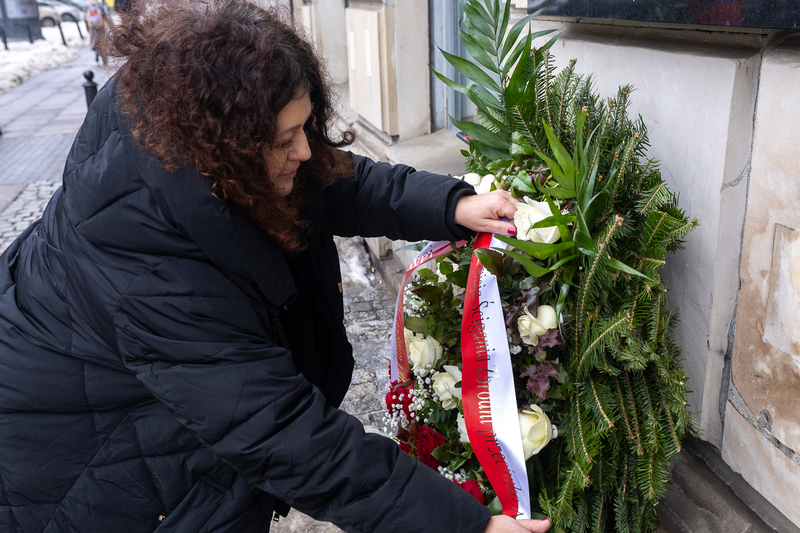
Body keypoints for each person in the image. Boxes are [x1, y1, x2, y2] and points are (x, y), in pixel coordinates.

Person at [0, 1, 549, 532]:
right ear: (226, 151)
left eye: (305, 128)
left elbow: (330, 177)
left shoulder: (198, 129)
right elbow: (281, 433)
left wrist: (451, 205)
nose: (305, 152)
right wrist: (463, 525)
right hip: (84, 463)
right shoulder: (155, 274)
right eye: (286, 140)